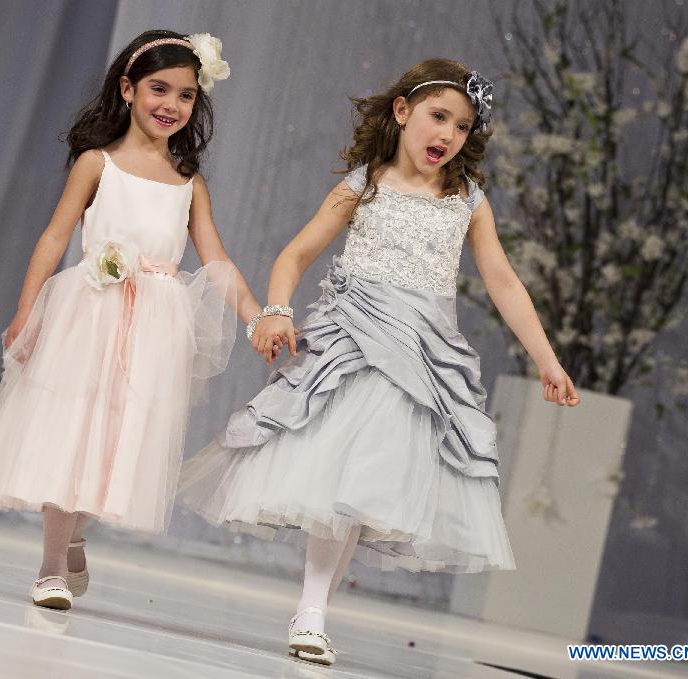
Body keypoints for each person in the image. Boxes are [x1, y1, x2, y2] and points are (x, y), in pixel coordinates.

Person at [178, 58, 580, 666]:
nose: (447, 135)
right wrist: (278, 309)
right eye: (437, 117)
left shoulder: (468, 201)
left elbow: (503, 282)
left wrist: (547, 361)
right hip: (355, 343)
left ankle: (314, 611)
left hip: (420, 357)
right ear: (402, 112)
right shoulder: (365, 184)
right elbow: (295, 253)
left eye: (463, 126)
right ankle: (311, 612)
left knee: (362, 490)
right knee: (341, 477)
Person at [0, 29, 262, 611]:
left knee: (118, 436)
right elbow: (54, 236)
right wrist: (27, 311)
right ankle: (50, 566)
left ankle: (74, 533)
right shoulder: (97, 164)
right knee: (71, 427)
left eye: (186, 95)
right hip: (90, 308)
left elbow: (216, 259)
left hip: (154, 322)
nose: (171, 105)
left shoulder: (187, 183)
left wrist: (256, 316)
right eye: (158, 89)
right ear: (127, 89)